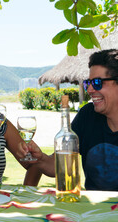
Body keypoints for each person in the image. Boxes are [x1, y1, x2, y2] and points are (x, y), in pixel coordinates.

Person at [25, 48, 118, 191]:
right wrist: (40, 157)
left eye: (98, 82)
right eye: (89, 83)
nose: (90, 90)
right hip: (95, 211)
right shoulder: (87, 116)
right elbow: (56, 167)